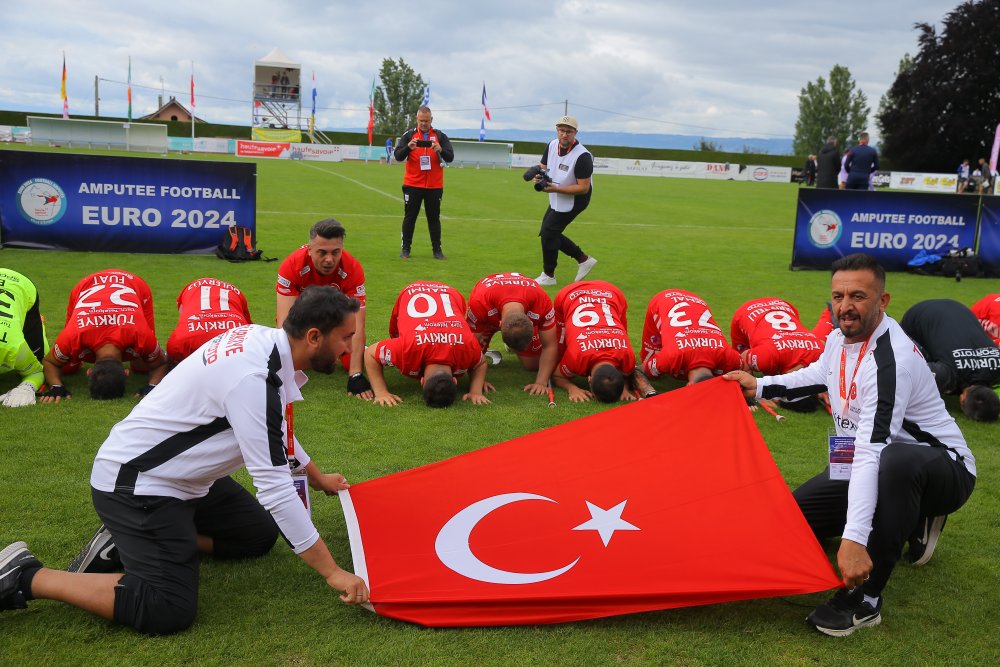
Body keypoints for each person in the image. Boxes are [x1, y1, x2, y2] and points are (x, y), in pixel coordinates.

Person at [0, 287, 370, 634]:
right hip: (138, 483)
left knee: (256, 535)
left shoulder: (264, 343)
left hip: (179, 478)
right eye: (346, 337)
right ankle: (26, 576)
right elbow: (274, 487)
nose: (350, 345)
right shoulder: (254, 376)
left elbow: (269, 428)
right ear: (314, 337)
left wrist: (316, 477)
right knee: (168, 607)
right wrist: (333, 572)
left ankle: (130, 541)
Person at [723, 253, 976, 637]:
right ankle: (907, 519)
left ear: (883, 301)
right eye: (838, 296)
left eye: (858, 296)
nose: (845, 306)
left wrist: (854, 540)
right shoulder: (839, 338)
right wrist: (759, 386)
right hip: (869, 460)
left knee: (895, 462)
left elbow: (873, 453)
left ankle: (867, 600)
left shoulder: (893, 361)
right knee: (790, 523)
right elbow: (817, 374)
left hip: (943, 468)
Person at [276, 219, 372, 399]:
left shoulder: (352, 268)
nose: (329, 259)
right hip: (303, 324)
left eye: (336, 252)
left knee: (350, 358)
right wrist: (287, 372)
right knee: (304, 358)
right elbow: (284, 323)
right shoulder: (292, 265)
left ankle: (334, 347)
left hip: (333, 322)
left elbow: (358, 325)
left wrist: (356, 374)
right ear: (310, 249)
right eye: (322, 252)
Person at [40, 269, 167, 402]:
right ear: (126, 373)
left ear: (89, 373)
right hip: (90, 285)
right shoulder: (73, 336)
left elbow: (161, 364)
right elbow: (161, 363)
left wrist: (56, 386)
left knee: (140, 366)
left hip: (129, 286)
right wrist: (56, 386)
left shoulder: (141, 335)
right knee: (69, 368)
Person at [365, 281, 489, 408]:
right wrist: (381, 392)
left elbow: (480, 363)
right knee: (395, 335)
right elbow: (370, 354)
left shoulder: (467, 347)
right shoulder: (406, 350)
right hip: (437, 292)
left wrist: (475, 391)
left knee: (399, 339)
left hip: (448, 293)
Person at [900, 299, 1000, 422]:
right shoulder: (948, 375)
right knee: (909, 356)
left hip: (959, 308)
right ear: (962, 401)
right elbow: (903, 371)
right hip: (919, 315)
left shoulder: (997, 367)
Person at [552, 280, 653, 403]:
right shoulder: (576, 357)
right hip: (571, 294)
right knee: (559, 350)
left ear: (590, 379)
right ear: (589, 379)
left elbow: (626, 374)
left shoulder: (627, 357)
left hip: (612, 293)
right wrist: (572, 388)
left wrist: (624, 388)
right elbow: (557, 374)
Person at [465, 272, 558, 397]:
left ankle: (514, 341)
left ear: (531, 322)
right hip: (487, 317)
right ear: (500, 324)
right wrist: (476, 381)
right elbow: (471, 347)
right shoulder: (479, 302)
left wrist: (541, 382)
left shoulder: (542, 302)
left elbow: (550, 345)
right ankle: (512, 341)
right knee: (474, 353)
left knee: (531, 364)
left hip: (513, 306)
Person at [532, 115, 598, 286]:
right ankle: (582, 260)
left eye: (569, 131)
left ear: (575, 133)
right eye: (561, 130)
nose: (564, 134)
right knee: (548, 232)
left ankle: (549, 275)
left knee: (548, 232)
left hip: (576, 199)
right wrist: (538, 176)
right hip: (558, 193)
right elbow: (543, 166)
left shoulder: (583, 156)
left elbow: (583, 187)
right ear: (557, 131)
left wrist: (556, 188)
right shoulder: (552, 144)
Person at [731, 296, 826, 413]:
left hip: (784, 306)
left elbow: (820, 343)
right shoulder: (767, 357)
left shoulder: (822, 354)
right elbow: (743, 358)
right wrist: (755, 395)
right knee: (738, 364)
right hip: (746, 312)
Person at [640, 289, 741, 385]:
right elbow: (640, 370)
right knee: (653, 372)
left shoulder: (730, 357)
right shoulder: (670, 358)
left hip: (697, 301)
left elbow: (744, 367)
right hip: (664, 301)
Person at [393, 106, 454, 260]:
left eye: (426, 121)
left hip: (434, 186)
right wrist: (408, 147)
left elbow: (450, 157)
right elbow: (398, 156)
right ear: (417, 120)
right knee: (410, 217)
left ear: (431, 120)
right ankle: (405, 249)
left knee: (434, 218)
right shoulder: (409, 135)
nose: (424, 124)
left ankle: (437, 251)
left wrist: (440, 149)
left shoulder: (440, 135)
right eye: (421, 121)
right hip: (413, 184)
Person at [166, 277, 253, 364]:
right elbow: (250, 329)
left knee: (168, 363)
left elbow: (183, 316)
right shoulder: (236, 293)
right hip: (234, 342)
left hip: (187, 339)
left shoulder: (186, 292)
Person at [0, 268, 49, 408]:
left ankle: (38, 322)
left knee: (42, 358)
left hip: (21, 285)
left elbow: (37, 371)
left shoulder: (13, 347)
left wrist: (27, 387)